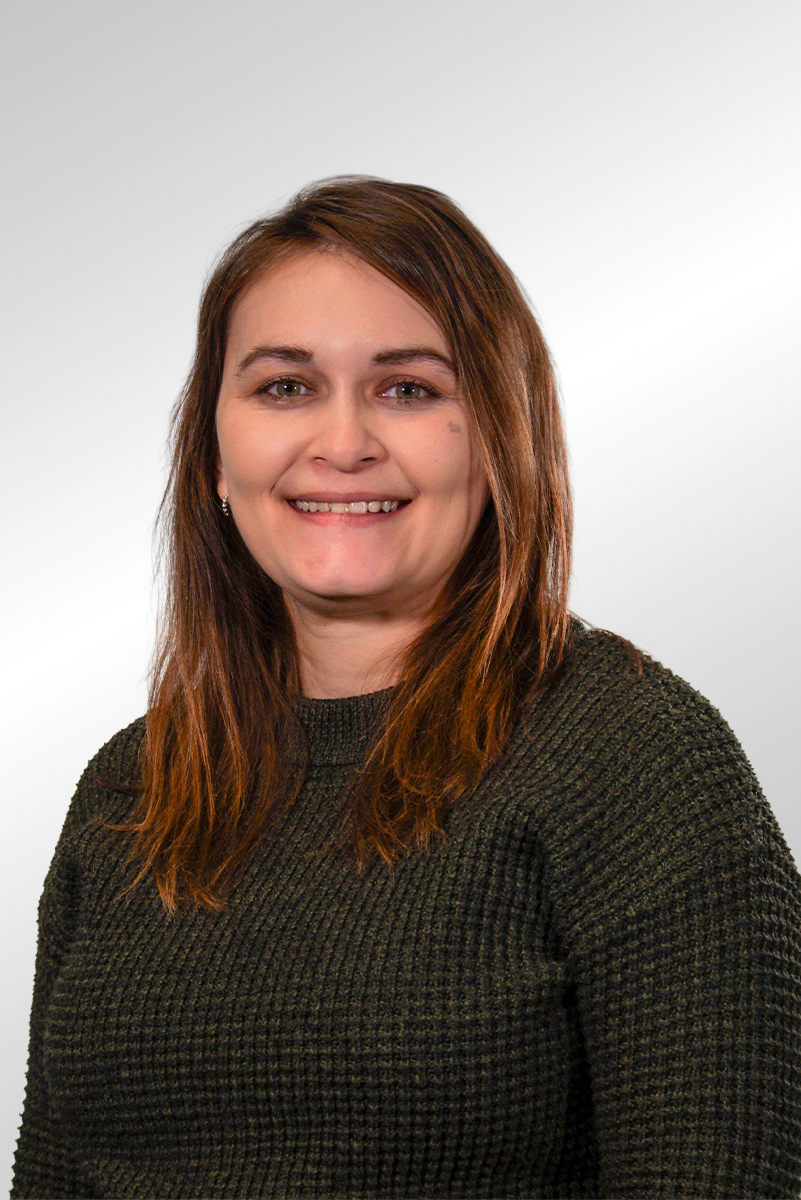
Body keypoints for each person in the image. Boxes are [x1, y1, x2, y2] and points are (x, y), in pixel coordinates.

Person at [11, 176, 801, 1200]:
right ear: (216, 447)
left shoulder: (634, 756)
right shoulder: (129, 788)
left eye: (409, 388)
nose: (343, 444)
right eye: (285, 387)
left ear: (498, 436)